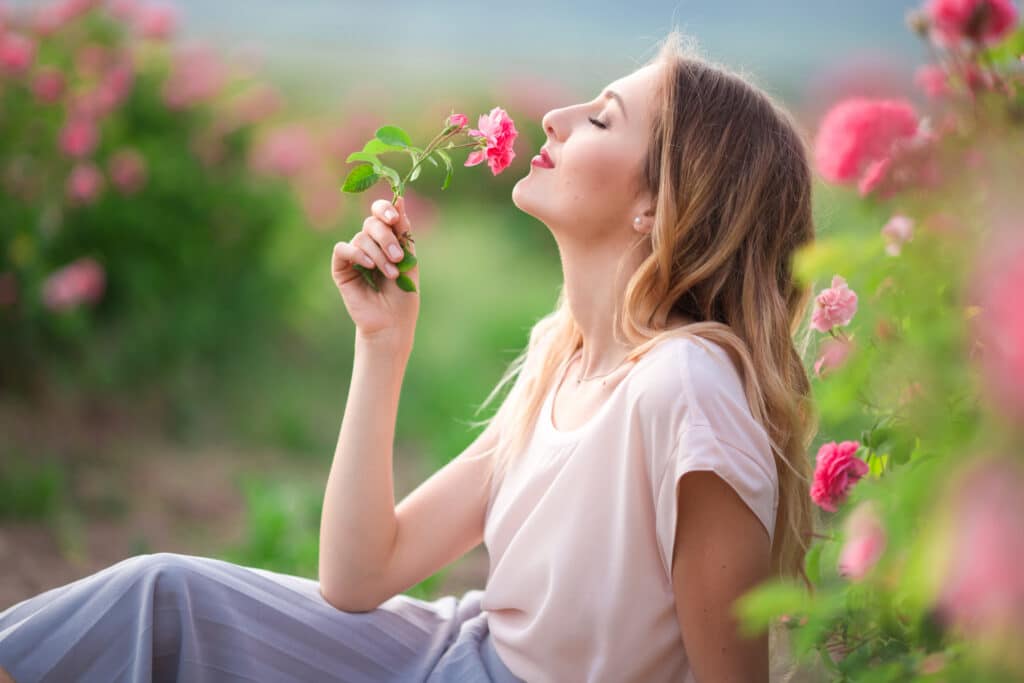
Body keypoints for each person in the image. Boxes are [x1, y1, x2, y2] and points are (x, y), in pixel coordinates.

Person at [0, 28, 819, 683]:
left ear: (658, 204)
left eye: (601, 118)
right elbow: (358, 574)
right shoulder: (561, 358)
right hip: (440, 652)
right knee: (159, 599)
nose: (555, 118)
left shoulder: (688, 389)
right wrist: (381, 345)